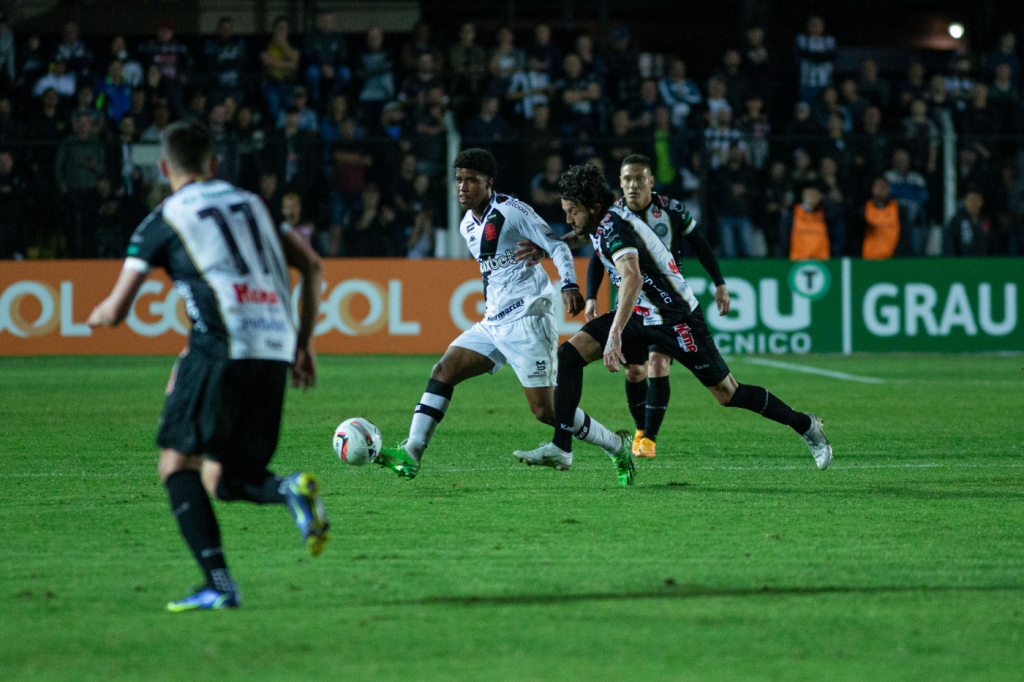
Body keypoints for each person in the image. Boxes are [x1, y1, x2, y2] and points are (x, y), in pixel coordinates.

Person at [85, 121, 327, 611]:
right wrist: (303, 345)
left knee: (177, 464)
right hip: (274, 348)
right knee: (224, 479)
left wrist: (93, 315)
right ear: (214, 163)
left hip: (221, 346)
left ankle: (219, 585)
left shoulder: (164, 217)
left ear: (163, 167)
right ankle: (290, 491)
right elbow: (312, 266)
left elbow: (115, 312)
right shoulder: (254, 204)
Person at [513, 164, 831, 471]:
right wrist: (547, 249)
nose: (567, 218)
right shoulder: (602, 221)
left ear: (594, 207)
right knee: (569, 356)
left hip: (675, 317)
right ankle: (561, 446)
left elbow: (633, 278)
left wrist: (614, 337)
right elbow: (585, 237)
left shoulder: (615, 228)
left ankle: (805, 424)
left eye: (573, 211)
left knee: (727, 393)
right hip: (642, 313)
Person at [375, 148, 635, 486]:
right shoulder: (467, 225)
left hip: (529, 317)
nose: (463, 187)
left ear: (489, 182)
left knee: (545, 411)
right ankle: (411, 452)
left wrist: (569, 284)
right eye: (458, 180)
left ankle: (616, 446)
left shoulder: (512, 211)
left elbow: (556, 245)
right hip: (494, 322)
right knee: (444, 370)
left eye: (471, 180)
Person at [582, 155, 730, 458]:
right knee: (634, 372)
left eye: (639, 178)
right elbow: (599, 256)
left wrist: (719, 283)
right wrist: (590, 295)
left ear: (651, 181)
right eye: (626, 179)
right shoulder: (613, 216)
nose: (633, 185)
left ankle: (649, 438)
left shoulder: (672, 209)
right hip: (634, 309)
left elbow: (700, 244)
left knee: (659, 366)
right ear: (620, 183)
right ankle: (640, 428)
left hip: (667, 307)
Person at [861, 176, 908, 259]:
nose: (882, 190)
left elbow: (904, 235)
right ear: (873, 188)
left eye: (885, 186)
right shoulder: (865, 209)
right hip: (869, 258)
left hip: (891, 259)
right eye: (879, 186)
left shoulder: (898, 209)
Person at [794, 15, 836, 103]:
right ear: (807, 26)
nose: (815, 26)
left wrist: (813, 55)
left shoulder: (829, 40)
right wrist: (820, 56)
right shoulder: (802, 38)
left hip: (825, 83)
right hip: (806, 83)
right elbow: (804, 54)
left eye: (818, 24)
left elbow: (830, 55)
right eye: (813, 24)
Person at [943, 189, 991, 256]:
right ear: (965, 201)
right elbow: (950, 245)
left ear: (982, 201)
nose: (974, 203)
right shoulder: (956, 221)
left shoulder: (986, 220)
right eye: (971, 200)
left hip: (983, 262)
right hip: (963, 262)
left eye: (977, 199)